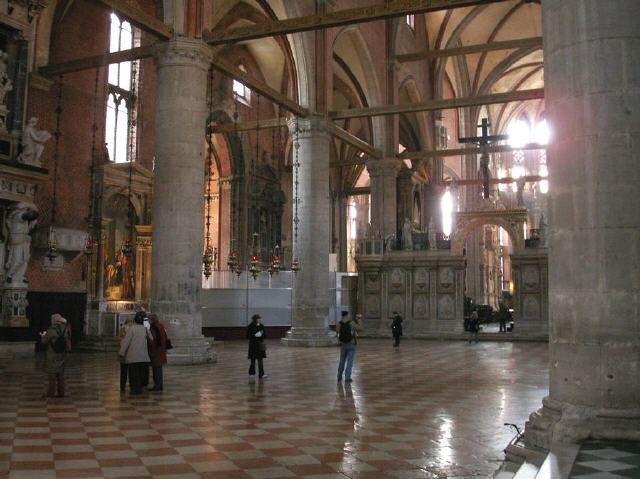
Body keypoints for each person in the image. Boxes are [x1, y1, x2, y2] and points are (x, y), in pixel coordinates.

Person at [119, 311, 153, 395]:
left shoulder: (132, 329)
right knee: (142, 374)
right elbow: (151, 339)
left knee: (134, 374)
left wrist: (121, 353)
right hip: (143, 356)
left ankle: (135, 389)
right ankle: (140, 388)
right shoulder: (145, 329)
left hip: (133, 356)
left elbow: (126, 342)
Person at [40, 313, 70, 398]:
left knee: (52, 376)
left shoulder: (51, 330)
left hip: (52, 355)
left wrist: (43, 335)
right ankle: (61, 393)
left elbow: (44, 341)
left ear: (53, 320)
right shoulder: (65, 329)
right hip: (62, 354)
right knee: (61, 375)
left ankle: (50, 393)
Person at [337, 311, 362, 382]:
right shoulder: (351, 323)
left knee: (342, 360)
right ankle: (347, 377)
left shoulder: (338, 323)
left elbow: (337, 333)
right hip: (351, 343)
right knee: (350, 361)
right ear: (347, 315)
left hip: (343, 344)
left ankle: (339, 376)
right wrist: (359, 319)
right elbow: (360, 328)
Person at [148, 313, 168, 391]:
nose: (148, 321)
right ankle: (159, 385)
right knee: (158, 368)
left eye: (149, 319)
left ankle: (157, 385)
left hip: (156, 350)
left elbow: (153, 339)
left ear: (152, 319)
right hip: (161, 349)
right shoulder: (161, 326)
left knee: (156, 369)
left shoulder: (154, 327)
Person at [247, 314, 266, 379]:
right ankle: (252, 373)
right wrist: (255, 335)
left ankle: (261, 374)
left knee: (260, 360)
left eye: (260, 318)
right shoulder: (250, 326)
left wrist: (261, 334)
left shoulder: (262, 326)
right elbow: (248, 335)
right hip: (253, 345)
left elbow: (265, 334)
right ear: (255, 319)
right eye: (258, 319)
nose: (260, 320)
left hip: (260, 345)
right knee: (253, 360)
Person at [118, 317, 134, 393]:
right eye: (129, 321)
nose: (130, 323)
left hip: (130, 353)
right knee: (124, 371)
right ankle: (123, 386)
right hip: (125, 353)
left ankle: (130, 385)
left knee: (130, 371)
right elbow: (120, 338)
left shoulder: (133, 329)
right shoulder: (123, 329)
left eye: (131, 321)